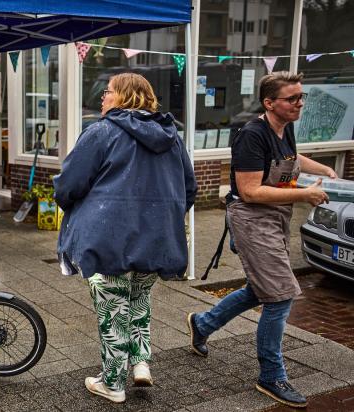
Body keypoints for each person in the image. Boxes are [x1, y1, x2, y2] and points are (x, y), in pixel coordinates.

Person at [187, 72, 334, 409]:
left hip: (276, 215)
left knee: (261, 288)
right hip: (252, 219)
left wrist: (323, 169)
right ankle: (271, 374)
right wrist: (304, 194)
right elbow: (251, 191)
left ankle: (203, 323)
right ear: (270, 103)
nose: (300, 103)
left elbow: (291, 162)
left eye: (301, 97)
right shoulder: (251, 135)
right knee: (280, 295)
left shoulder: (286, 127)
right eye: (292, 98)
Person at [54, 73, 196, 404]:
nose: (103, 98)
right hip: (157, 240)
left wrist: (81, 205)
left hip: (108, 239)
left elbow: (69, 184)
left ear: (125, 97)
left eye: (109, 92)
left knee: (114, 311)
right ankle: (140, 362)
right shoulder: (171, 137)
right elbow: (188, 188)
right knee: (138, 300)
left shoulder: (101, 132)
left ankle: (113, 384)